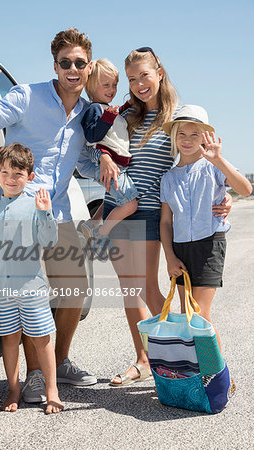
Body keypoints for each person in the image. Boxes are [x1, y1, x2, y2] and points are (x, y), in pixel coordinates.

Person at [0, 28, 97, 402]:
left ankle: (60, 359)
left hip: (58, 211)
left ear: (88, 67)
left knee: (75, 291)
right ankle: (36, 375)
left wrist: (103, 159)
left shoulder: (86, 112)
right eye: (65, 62)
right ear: (55, 65)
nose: (73, 68)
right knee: (26, 293)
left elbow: (83, 162)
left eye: (79, 63)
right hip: (21, 213)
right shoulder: (26, 96)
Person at [93, 47, 232, 386]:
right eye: (132, 79)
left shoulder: (175, 116)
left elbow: (197, 160)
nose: (139, 84)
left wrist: (223, 193)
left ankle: (179, 354)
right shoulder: (126, 115)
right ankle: (144, 360)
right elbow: (98, 137)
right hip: (117, 207)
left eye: (144, 75)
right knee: (129, 290)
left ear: (159, 72)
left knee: (147, 287)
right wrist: (102, 156)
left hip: (152, 210)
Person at [159, 105, 252, 348]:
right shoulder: (168, 178)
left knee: (199, 317)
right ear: (174, 136)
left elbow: (245, 189)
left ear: (204, 137)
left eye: (195, 135)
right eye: (182, 134)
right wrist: (169, 257)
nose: (187, 140)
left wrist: (219, 159)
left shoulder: (213, 167)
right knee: (188, 315)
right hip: (180, 249)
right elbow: (166, 222)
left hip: (209, 243)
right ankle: (199, 375)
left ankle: (217, 376)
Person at [0, 143, 63, 414]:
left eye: (18, 174)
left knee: (41, 338)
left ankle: (52, 390)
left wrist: (45, 211)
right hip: (2, 291)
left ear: (30, 177)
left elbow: (48, 241)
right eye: (5, 172)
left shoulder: (34, 205)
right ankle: (13, 388)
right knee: (8, 339)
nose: (11, 179)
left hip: (32, 288)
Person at [80, 59, 138, 254]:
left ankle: (91, 224)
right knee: (130, 204)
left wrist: (124, 107)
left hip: (118, 165)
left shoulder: (106, 109)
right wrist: (108, 117)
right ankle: (102, 232)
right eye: (106, 85)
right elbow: (92, 135)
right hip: (108, 165)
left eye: (114, 85)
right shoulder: (94, 109)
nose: (112, 89)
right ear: (91, 86)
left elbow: (114, 123)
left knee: (116, 198)